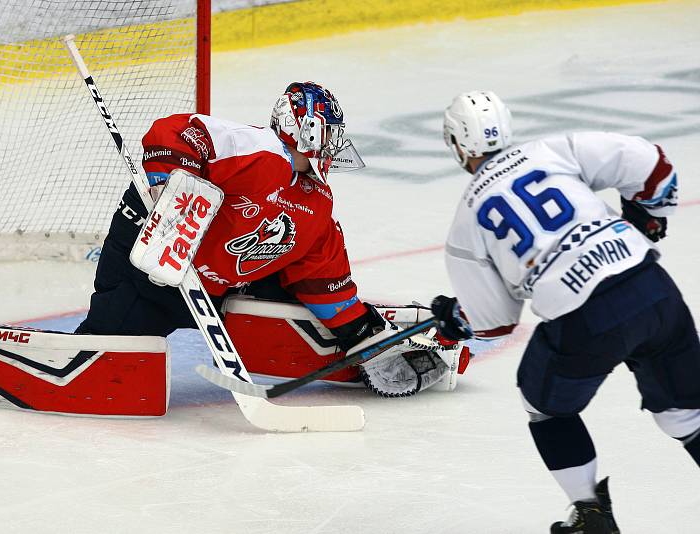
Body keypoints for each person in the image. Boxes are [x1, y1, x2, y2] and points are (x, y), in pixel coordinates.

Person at [76, 81, 455, 397]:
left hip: (217, 292)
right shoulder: (258, 151)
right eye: (330, 133)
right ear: (305, 130)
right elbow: (175, 132)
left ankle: (369, 333)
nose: (335, 145)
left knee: (304, 314)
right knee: (106, 364)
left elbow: (321, 277)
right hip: (146, 268)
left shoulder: (317, 202)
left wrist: (362, 334)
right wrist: (173, 184)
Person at [430, 90, 700, 533]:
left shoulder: (467, 220)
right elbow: (652, 165)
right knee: (684, 415)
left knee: (544, 407)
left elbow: (495, 323)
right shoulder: (554, 150)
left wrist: (458, 318)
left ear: (459, 143)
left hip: (585, 319)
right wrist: (649, 214)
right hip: (653, 289)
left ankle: (590, 514)